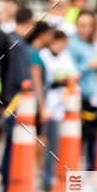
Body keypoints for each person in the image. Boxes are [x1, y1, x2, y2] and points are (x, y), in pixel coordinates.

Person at [0, 6, 33, 192]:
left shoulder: (8, 38)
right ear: (30, 22)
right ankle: (9, 186)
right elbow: (22, 79)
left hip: (8, 101)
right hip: (16, 103)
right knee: (14, 145)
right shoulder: (18, 45)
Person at [40, 30, 78, 192]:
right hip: (43, 105)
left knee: (53, 145)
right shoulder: (43, 55)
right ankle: (39, 174)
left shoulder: (65, 57)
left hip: (58, 107)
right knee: (38, 142)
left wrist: (66, 81)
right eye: (62, 43)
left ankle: (48, 179)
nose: (63, 47)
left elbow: (74, 74)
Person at [68, 11, 97, 170]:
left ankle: (89, 173)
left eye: (86, 25)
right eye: (80, 25)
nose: (82, 29)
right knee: (77, 139)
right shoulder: (72, 44)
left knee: (91, 137)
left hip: (91, 97)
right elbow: (70, 70)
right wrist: (90, 66)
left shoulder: (89, 44)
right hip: (78, 97)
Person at [26, 22, 54, 175]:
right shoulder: (34, 53)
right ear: (44, 34)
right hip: (35, 105)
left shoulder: (32, 51)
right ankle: (38, 171)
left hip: (31, 104)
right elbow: (36, 83)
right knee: (40, 137)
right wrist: (42, 106)